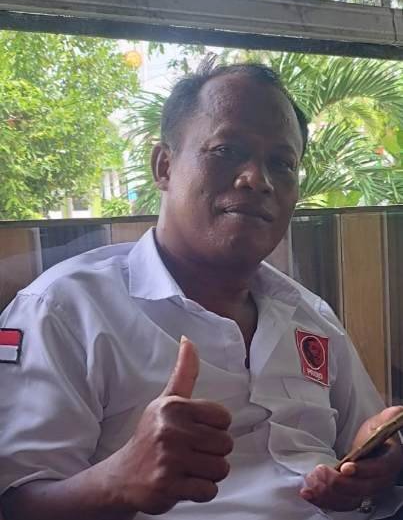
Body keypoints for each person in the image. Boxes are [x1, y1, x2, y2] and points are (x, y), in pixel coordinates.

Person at [0, 60, 403, 520]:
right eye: (226, 150)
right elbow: (14, 502)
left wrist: (378, 464)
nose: (258, 179)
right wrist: (118, 481)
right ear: (164, 166)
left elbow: (370, 440)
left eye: (282, 163)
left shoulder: (309, 314)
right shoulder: (64, 310)